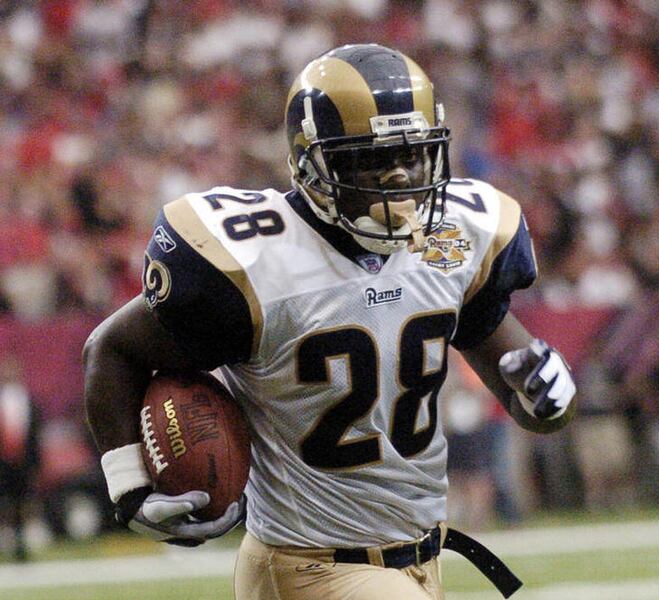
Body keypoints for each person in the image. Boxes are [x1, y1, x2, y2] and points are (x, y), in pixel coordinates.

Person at [83, 44, 576, 600]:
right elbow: (113, 349)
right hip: (310, 565)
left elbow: (523, 394)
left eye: (411, 154)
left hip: (419, 558)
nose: (397, 179)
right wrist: (129, 487)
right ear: (312, 162)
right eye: (370, 159)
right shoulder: (255, 262)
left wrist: (548, 398)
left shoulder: (455, 238)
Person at [0, 353, 41, 562]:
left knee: (23, 503)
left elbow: (34, 435)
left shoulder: (30, 401)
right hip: (2, 462)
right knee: (4, 504)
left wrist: (35, 462)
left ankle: (21, 545)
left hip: (23, 462)